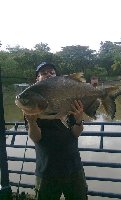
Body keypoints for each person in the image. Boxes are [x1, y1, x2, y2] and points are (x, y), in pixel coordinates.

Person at [24, 62, 88, 200]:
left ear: (58, 77)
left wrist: (78, 119)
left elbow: (76, 133)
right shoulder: (32, 102)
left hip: (73, 167)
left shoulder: (68, 100)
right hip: (47, 171)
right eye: (43, 73)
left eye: (52, 72)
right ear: (37, 79)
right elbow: (36, 138)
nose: (48, 74)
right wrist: (31, 122)